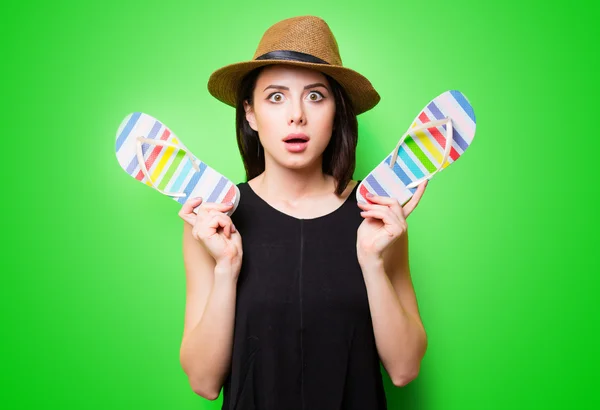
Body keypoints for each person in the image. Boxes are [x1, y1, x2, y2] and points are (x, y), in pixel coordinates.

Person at [177, 15, 428, 410]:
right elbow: (204, 383)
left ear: (337, 112)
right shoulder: (215, 222)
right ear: (251, 114)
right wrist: (225, 269)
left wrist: (372, 262)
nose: (297, 115)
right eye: (276, 97)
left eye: (315, 96)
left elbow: (404, 369)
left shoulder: (377, 216)